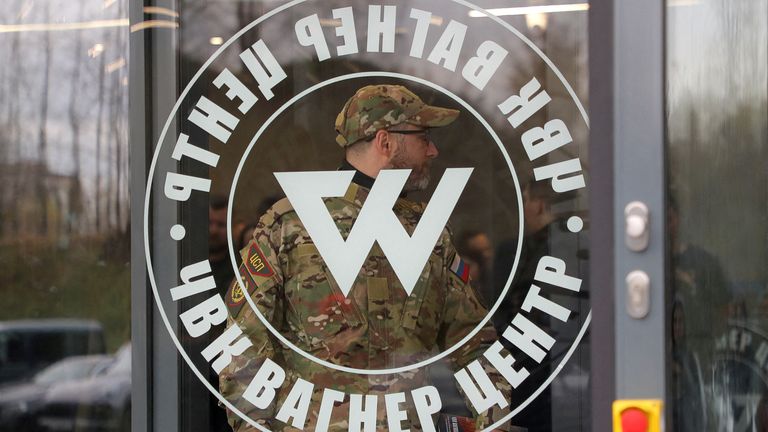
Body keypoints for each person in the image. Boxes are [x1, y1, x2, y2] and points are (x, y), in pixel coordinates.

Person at [219, 84, 510, 431]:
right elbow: (243, 350)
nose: (432, 150)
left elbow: (475, 347)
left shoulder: (429, 234)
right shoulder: (288, 227)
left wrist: (494, 425)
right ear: (386, 142)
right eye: (423, 136)